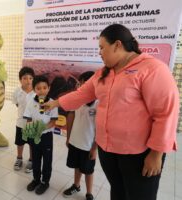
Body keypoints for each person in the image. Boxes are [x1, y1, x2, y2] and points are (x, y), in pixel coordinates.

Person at [43, 24, 179, 200]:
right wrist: (55, 103)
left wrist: (156, 154)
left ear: (117, 45)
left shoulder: (152, 69)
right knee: (118, 191)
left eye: (102, 47)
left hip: (138, 155)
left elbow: (165, 113)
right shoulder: (103, 74)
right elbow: (81, 94)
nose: (99, 52)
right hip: (108, 151)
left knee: (139, 195)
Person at [63, 71, 97, 200]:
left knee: (88, 170)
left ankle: (89, 193)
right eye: (81, 82)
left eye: (86, 83)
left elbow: (100, 129)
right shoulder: (76, 99)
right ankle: (76, 185)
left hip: (88, 145)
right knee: (76, 166)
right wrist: (68, 138)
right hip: (75, 141)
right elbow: (70, 116)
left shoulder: (99, 102)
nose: (82, 85)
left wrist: (94, 149)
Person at [23, 75, 58, 195]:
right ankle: (36, 179)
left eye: (44, 87)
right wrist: (31, 130)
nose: (42, 90)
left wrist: (42, 128)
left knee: (47, 160)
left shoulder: (53, 103)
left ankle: (45, 182)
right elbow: (28, 119)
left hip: (46, 137)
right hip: (34, 136)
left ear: (49, 88)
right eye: (38, 88)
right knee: (36, 159)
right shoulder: (30, 102)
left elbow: (53, 121)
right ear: (34, 90)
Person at [12, 67, 35, 172]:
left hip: (33, 123)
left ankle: (31, 160)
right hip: (20, 123)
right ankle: (19, 158)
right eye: (25, 78)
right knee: (20, 142)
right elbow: (17, 104)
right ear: (20, 80)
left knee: (32, 143)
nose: (28, 80)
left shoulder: (36, 92)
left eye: (30, 78)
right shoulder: (17, 91)